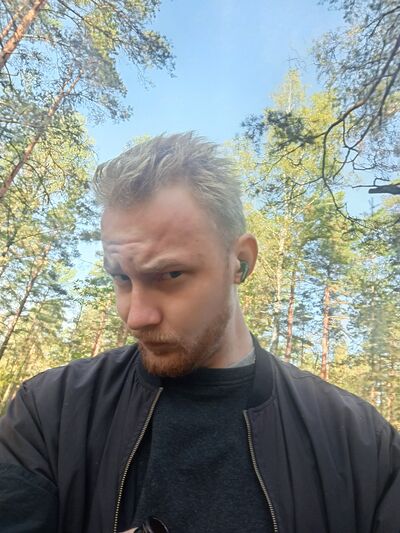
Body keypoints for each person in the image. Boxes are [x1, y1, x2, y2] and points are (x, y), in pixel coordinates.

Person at [0, 132, 399, 533]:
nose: (136, 316)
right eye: (121, 278)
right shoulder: (48, 413)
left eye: (171, 274)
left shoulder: (359, 444)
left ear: (240, 262)